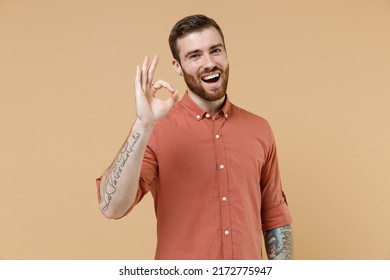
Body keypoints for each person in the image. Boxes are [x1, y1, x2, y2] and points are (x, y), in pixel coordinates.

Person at [96, 14, 293, 260]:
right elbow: (111, 207)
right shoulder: (157, 130)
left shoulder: (259, 129)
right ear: (177, 66)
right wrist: (142, 125)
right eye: (195, 55)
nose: (209, 63)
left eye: (215, 50)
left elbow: (273, 213)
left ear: (227, 54)